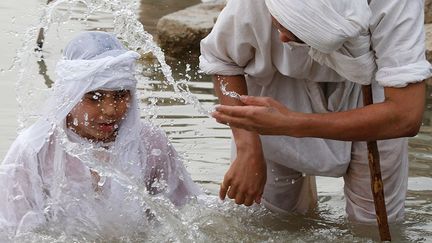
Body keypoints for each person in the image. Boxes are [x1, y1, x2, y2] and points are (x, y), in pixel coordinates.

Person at [200, 0, 432, 223]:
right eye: (279, 22)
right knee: (271, 220)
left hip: (372, 96)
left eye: (294, 31)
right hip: (275, 84)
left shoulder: (395, 4)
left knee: (372, 223)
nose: (281, 37)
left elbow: (405, 115)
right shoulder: (255, 3)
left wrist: (292, 124)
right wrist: (247, 148)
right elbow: (223, 60)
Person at [0, 31, 201, 237]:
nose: (111, 110)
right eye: (94, 97)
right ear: (69, 95)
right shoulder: (35, 149)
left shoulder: (151, 143)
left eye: (121, 95)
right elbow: (13, 229)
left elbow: (187, 217)